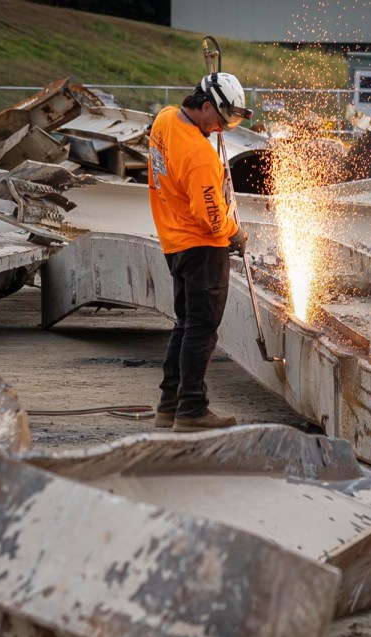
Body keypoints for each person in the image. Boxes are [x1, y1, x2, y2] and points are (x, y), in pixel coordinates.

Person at [147, 71, 252, 432]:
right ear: (205, 106)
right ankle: (192, 409)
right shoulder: (199, 155)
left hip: (173, 242)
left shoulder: (164, 120)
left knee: (185, 323)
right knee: (202, 329)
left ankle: (169, 405)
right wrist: (236, 234)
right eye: (221, 120)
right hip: (202, 249)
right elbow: (212, 218)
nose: (222, 129)